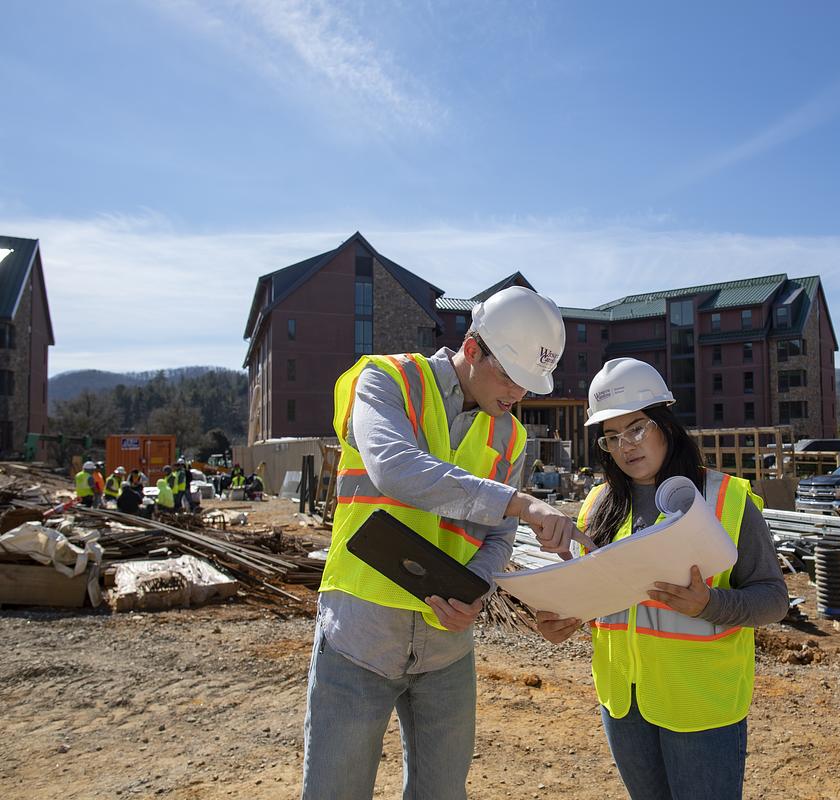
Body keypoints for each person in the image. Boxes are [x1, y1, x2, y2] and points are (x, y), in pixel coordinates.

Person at [302, 286, 593, 800]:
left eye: (528, 384)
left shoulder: (511, 435)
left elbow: (499, 535)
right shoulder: (387, 379)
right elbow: (395, 468)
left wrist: (476, 587)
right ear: (474, 348)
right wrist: (521, 502)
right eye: (510, 376)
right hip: (361, 633)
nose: (517, 396)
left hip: (446, 647)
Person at [536, 358, 788, 800]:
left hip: (700, 705)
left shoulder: (724, 499)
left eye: (636, 429)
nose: (626, 446)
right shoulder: (597, 505)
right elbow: (594, 598)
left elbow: (773, 600)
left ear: (665, 424)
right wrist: (565, 619)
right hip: (623, 702)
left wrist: (710, 605)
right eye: (612, 437)